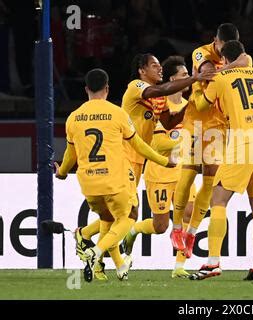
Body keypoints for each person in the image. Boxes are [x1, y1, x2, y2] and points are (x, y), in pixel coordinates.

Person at [73, 53, 214, 277]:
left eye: (160, 66)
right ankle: (100, 257)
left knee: (118, 214)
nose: (159, 69)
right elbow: (158, 91)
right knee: (127, 214)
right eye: (154, 66)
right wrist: (196, 78)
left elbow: (168, 120)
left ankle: (89, 242)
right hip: (123, 157)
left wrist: (195, 108)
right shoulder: (137, 86)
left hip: (138, 159)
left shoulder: (157, 100)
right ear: (141, 70)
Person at [55, 68, 175, 282]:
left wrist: (62, 172)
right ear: (107, 89)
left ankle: (114, 266)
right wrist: (164, 161)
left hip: (89, 184)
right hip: (114, 179)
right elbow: (138, 144)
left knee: (107, 219)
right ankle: (96, 252)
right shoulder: (117, 113)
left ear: (86, 89)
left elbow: (69, 154)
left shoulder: (73, 118)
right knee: (129, 216)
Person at [188, 40, 253, 281]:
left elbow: (200, 105)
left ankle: (213, 263)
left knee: (218, 199)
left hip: (243, 140)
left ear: (224, 60)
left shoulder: (220, 78)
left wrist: (198, 84)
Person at [170, 23, 252, 259]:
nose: (225, 54)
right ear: (215, 41)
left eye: (229, 50)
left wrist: (236, 64)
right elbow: (207, 72)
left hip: (219, 125)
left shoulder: (242, 57)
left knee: (210, 182)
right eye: (222, 49)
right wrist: (236, 64)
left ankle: (192, 232)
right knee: (188, 175)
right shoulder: (201, 52)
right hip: (196, 121)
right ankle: (176, 228)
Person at [121, 56, 197, 278]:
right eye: (184, 76)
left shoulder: (187, 106)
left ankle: (179, 267)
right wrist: (181, 142)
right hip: (159, 171)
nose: (188, 81)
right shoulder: (155, 99)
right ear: (174, 79)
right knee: (161, 225)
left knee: (188, 213)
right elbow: (156, 143)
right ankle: (133, 230)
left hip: (182, 170)